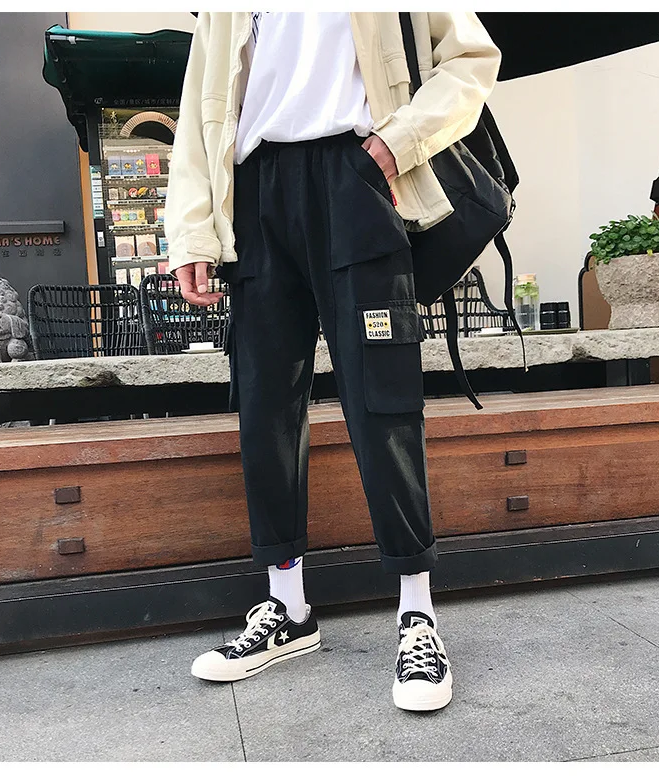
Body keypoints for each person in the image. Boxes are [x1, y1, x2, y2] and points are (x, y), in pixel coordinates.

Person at [164, 11, 500, 712]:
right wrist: (192, 231)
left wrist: (394, 145)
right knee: (265, 407)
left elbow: (471, 60)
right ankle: (286, 606)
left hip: (359, 176)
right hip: (254, 192)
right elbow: (200, 106)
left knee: (384, 402)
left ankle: (417, 612)